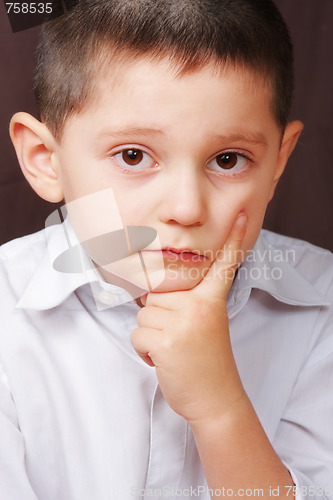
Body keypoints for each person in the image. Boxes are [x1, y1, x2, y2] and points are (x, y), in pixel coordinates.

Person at [1, 0, 332, 498]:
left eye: (228, 159)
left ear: (278, 162)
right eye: (133, 155)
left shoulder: (322, 305)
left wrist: (220, 410)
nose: (185, 208)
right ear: (46, 159)